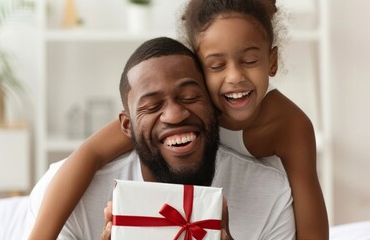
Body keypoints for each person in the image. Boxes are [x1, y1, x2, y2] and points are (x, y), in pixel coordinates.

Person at [27, 0, 326, 238]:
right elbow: (89, 154)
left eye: (249, 61)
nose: (234, 77)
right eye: (216, 65)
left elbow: (312, 228)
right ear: (198, 67)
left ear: (271, 62)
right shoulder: (187, 102)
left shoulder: (290, 126)